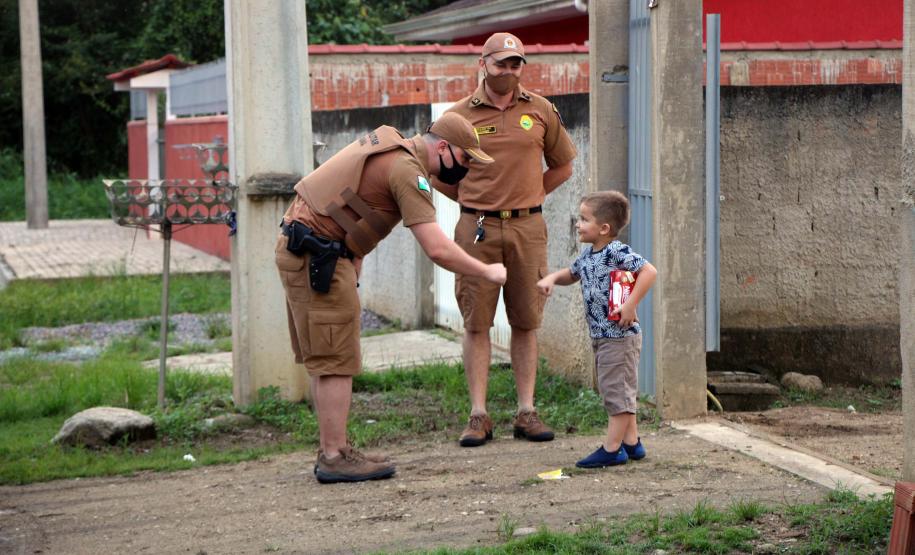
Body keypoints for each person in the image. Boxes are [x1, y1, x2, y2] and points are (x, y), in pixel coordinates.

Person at [277, 113, 506, 484]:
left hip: (311, 250)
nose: (465, 169)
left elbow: (353, 202)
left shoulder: (392, 146)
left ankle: (333, 448)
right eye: (466, 159)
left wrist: (356, 254)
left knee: (326, 355)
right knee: (336, 359)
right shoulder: (407, 170)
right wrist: (486, 270)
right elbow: (437, 248)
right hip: (318, 256)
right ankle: (334, 456)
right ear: (444, 148)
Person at [431, 32, 578, 447]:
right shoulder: (458, 116)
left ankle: (526, 411)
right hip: (475, 228)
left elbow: (564, 165)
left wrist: (529, 195)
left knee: (527, 320)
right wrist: (472, 199)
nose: (509, 72)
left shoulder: (541, 110)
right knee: (476, 321)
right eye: (501, 64)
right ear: (483, 64)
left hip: (527, 228)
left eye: (516, 64)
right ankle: (478, 415)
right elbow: (436, 171)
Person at [536, 191, 657, 468]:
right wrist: (553, 278)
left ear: (604, 228)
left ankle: (612, 449)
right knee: (616, 388)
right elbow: (572, 273)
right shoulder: (589, 255)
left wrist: (630, 303)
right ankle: (631, 443)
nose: (578, 224)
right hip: (602, 336)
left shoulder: (616, 251)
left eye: (583, 219)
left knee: (617, 391)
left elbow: (649, 271)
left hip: (620, 336)